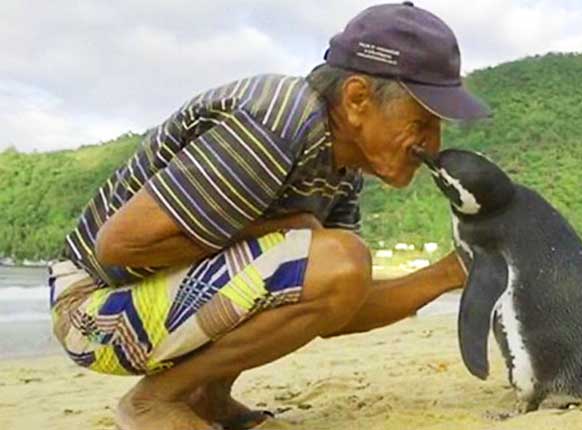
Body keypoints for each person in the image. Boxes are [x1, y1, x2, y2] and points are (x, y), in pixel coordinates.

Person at [47, 3, 489, 429]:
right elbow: (118, 246)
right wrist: (281, 228)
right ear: (357, 98)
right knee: (337, 256)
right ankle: (156, 401)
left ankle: (208, 397)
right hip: (91, 312)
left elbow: (338, 303)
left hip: (148, 306)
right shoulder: (276, 122)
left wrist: (452, 272)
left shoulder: (341, 169)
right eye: (423, 121)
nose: (432, 144)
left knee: (340, 261)